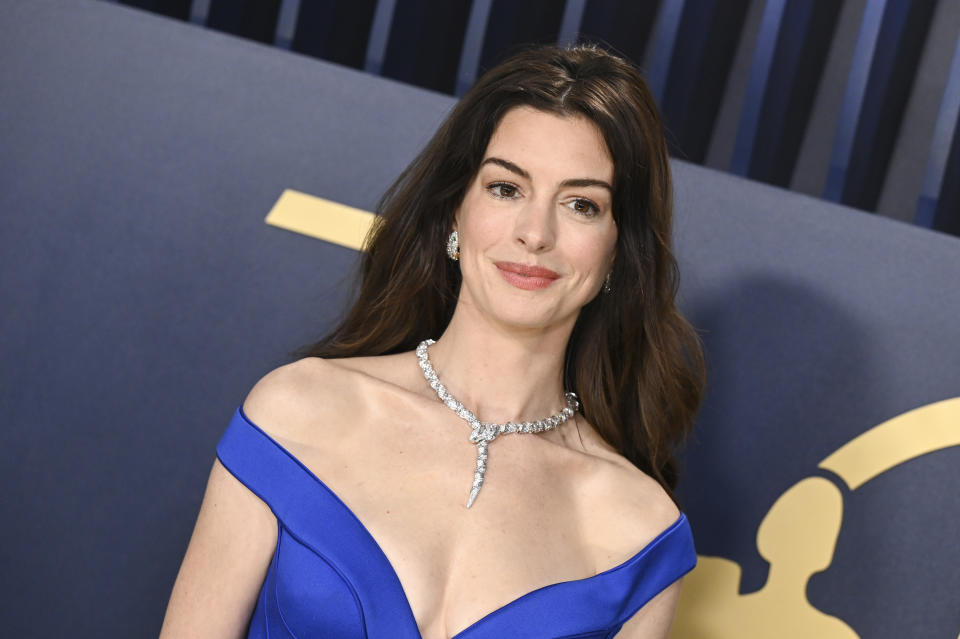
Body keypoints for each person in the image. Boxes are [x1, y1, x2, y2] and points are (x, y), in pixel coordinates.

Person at [159, 42, 706, 639]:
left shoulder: (638, 530)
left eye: (581, 204)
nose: (534, 233)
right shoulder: (298, 411)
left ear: (618, 253)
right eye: (506, 188)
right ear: (455, 210)